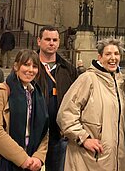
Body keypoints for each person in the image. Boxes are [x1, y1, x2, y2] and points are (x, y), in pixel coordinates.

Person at [57, 37, 125, 171]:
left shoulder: (120, 83)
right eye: (108, 54)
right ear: (100, 57)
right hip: (88, 159)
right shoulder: (88, 79)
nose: (113, 58)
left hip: (115, 160)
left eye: (116, 53)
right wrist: (83, 139)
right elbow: (66, 113)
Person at [0, 49, 49, 171]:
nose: (30, 70)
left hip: (32, 162)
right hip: (5, 161)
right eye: (26, 64)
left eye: (34, 66)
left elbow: (44, 131)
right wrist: (22, 159)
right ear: (16, 66)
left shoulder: (38, 95)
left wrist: (39, 157)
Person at [35, 25, 78, 171]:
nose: (51, 43)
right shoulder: (29, 66)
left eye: (54, 40)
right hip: (34, 132)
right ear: (39, 41)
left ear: (59, 42)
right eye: (47, 39)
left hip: (59, 134)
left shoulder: (68, 69)